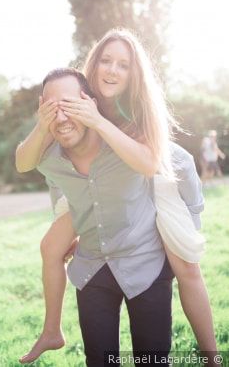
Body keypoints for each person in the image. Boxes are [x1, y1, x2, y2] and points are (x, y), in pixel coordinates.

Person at [16, 29, 218, 365]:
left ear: (133, 74)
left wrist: (97, 121)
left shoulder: (137, 108)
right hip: (95, 179)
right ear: (92, 68)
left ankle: (212, 355)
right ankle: (52, 330)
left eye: (123, 65)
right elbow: (41, 160)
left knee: (186, 266)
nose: (112, 70)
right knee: (51, 246)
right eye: (106, 61)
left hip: (160, 175)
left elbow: (152, 161)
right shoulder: (75, 98)